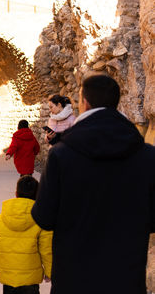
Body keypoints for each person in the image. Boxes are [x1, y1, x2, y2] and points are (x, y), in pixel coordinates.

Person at [31, 74, 155, 294]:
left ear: (85, 102)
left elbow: (44, 218)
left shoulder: (61, 154)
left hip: (74, 279)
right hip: (125, 279)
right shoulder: (147, 156)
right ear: (117, 102)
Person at [0, 175, 52, 294]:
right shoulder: (41, 220)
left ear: (16, 193)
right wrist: (49, 272)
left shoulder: (1, 219)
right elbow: (46, 249)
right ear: (37, 196)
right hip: (30, 279)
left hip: (8, 278)